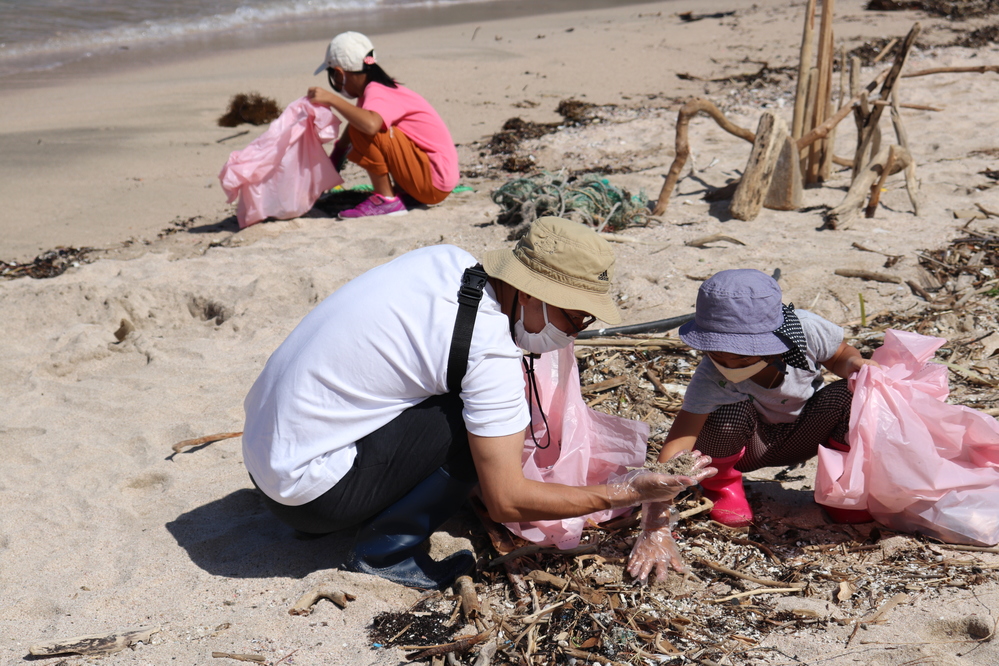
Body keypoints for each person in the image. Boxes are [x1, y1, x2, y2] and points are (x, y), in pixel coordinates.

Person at [241, 217, 716, 590]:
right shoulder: (486, 346)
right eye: (576, 317)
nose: (576, 333)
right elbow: (507, 501)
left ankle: (361, 507)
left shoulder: (448, 261)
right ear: (533, 294)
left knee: (460, 401)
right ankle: (386, 552)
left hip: (266, 460)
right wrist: (632, 491)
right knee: (475, 430)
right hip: (307, 499)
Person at [627, 269, 879, 581]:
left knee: (850, 393)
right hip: (751, 446)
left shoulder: (804, 330)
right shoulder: (711, 379)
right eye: (718, 354)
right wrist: (655, 519)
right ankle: (724, 487)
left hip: (808, 432)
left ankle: (840, 488)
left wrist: (854, 365)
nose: (729, 365)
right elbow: (679, 442)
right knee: (725, 415)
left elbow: (840, 355)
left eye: (743, 358)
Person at [305, 31, 459, 219]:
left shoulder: (378, 92)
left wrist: (333, 100)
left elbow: (369, 126)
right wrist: (333, 164)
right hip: (433, 180)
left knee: (368, 126)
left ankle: (386, 200)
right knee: (360, 121)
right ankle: (402, 196)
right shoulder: (375, 91)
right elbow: (352, 130)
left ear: (339, 74)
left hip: (433, 181)